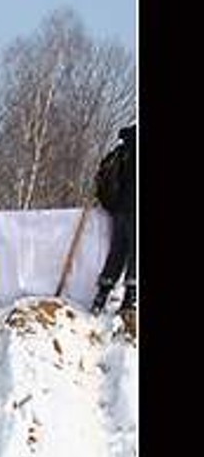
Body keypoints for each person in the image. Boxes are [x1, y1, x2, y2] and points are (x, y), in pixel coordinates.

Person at [91, 124, 135, 316]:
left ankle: (101, 296)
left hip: (119, 210)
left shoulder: (123, 148)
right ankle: (130, 299)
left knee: (117, 251)